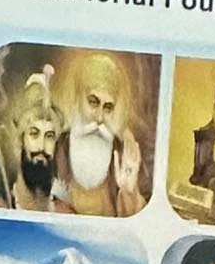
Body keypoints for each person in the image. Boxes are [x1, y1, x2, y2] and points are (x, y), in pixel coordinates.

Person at [52, 52, 147, 218]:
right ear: (77, 98)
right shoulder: (55, 148)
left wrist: (129, 194)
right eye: (93, 102)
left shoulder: (123, 154)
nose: (99, 117)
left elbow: (141, 219)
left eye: (108, 107)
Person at [0, 67, 63, 212]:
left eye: (49, 136)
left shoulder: (65, 213)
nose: (42, 146)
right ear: (21, 140)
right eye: (34, 134)